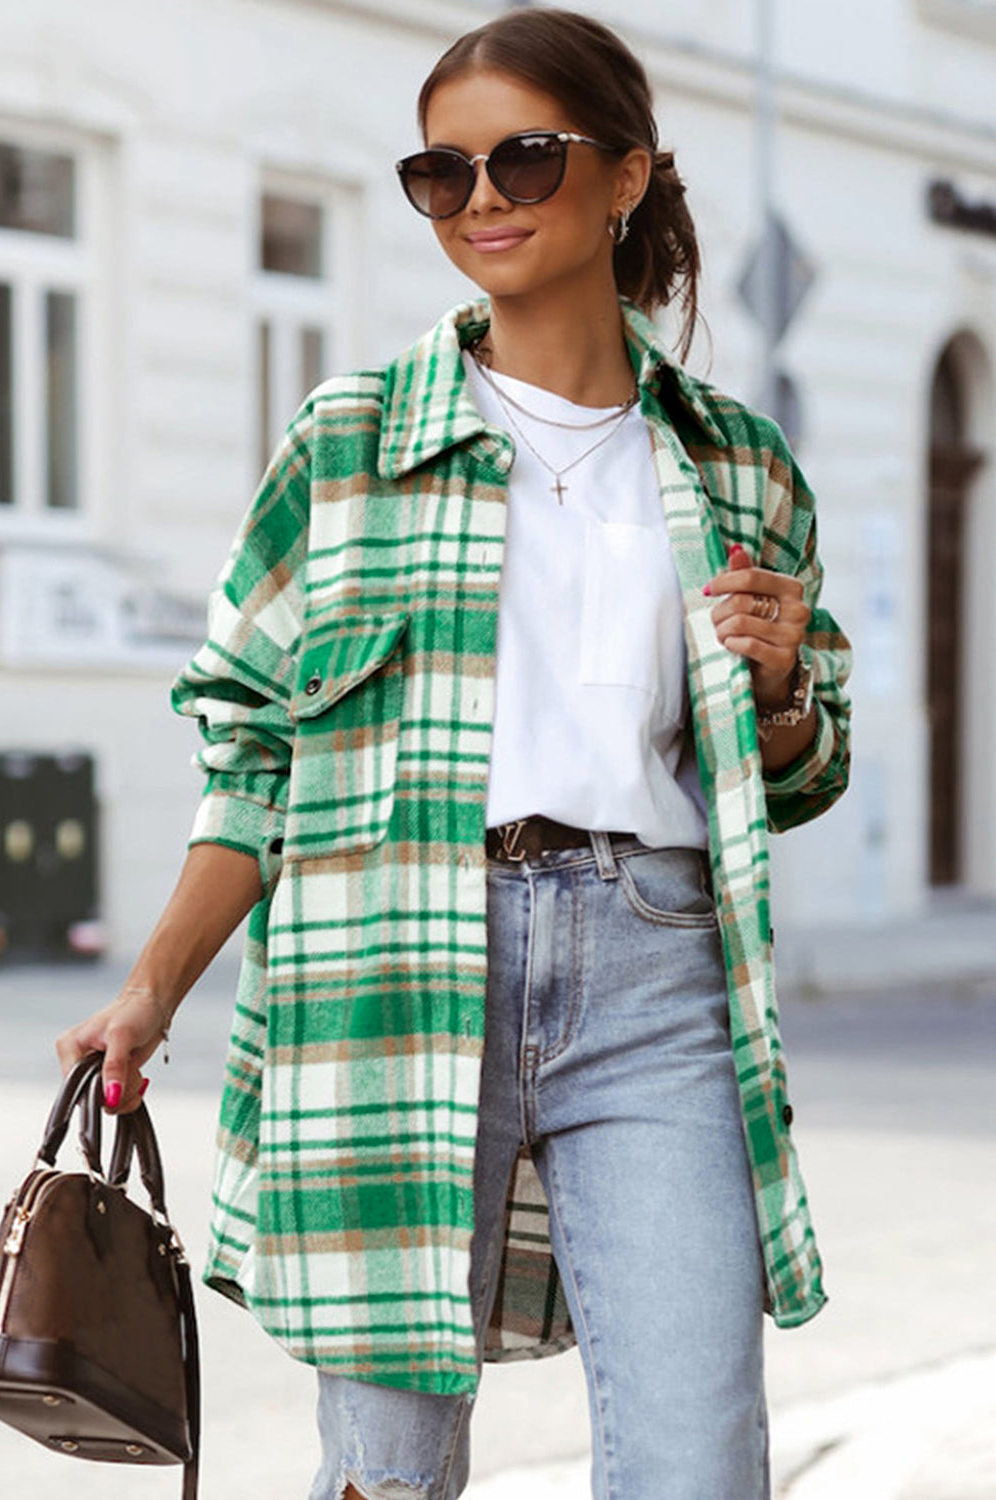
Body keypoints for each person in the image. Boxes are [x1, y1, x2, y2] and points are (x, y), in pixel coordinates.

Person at [57, 9, 852, 1498]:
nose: (480, 199)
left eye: (524, 159)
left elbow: (802, 768)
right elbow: (254, 752)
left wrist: (783, 683)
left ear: (624, 179)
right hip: (388, 965)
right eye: (442, 173)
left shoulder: (737, 466)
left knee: (697, 1457)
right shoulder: (346, 443)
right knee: (390, 1471)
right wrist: (150, 989)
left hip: (655, 967)